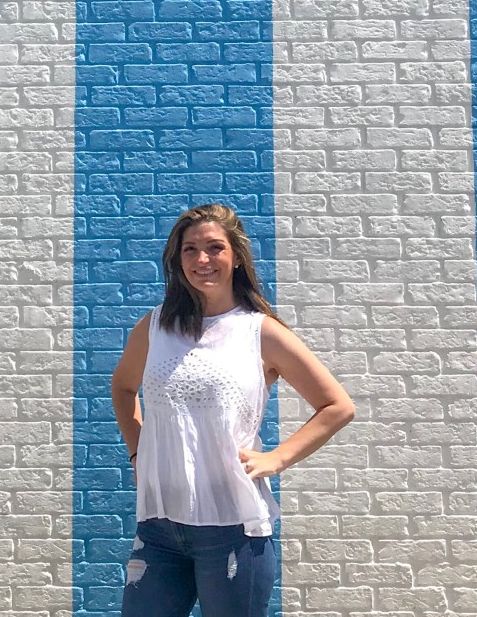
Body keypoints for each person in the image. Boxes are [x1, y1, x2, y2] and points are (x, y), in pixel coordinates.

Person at [110, 203, 356, 617]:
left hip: (233, 531)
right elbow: (122, 387)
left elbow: (337, 405)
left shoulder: (260, 332)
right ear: (177, 259)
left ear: (237, 256)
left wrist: (277, 458)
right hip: (158, 529)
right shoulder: (154, 327)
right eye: (190, 249)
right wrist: (138, 453)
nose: (202, 259)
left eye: (214, 248)